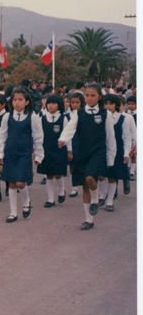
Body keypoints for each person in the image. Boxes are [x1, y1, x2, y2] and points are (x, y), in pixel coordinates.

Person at [59, 83, 116, 231]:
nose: (89, 98)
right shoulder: (79, 113)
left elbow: (110, 137)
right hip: (82, 152)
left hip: (97, 153)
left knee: (91, 178)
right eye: (87, 95)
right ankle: (88, 219)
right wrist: (63, 139)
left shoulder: (105, 114)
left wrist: (110, 158)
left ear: (99, 97)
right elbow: (70, 128)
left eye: (93, 95)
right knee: (85, 185)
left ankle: (96, 199)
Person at [0, 87, 44, 223]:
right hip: (10, 153)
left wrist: (39, 155)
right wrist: (0, 152)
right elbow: (2, 135)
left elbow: (38, 137)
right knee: (11, 182)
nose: (17, 102)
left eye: (20, 100)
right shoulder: (7, 116)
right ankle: (13, 212)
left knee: (20, 182)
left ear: (27, 102)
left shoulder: (33, 117)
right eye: (15, 100)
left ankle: (26, 201)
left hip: (24, 154)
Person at [96, 95, 131, 211]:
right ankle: (103, 193)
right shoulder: (100, 117)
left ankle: (109, 201)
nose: (108, 106)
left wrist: (126, 153)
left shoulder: (122, 119)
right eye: (105, 104)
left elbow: (126, 137)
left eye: (110, 104)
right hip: (102, 150)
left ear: (116, 105)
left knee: (112, 176)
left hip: (117, 151)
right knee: (100, 175)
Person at [37, 95, 71, 207]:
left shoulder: (63, 118)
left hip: (59, 150)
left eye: (53, 103)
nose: (50, 105)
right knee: (49, 175)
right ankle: (50, 199)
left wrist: (69, 151)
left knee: (57, 173)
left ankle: (61, 191)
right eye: (48, 103)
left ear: (59, 105)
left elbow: (68, 135)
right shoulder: (42, 117)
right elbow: (38, 135)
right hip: (46, 149)